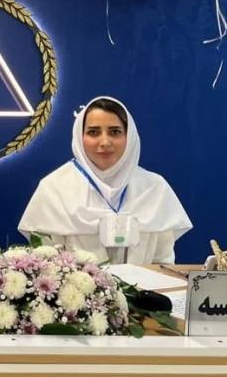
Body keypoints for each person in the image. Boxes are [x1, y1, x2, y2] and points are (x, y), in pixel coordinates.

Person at [18, 96, 191, 264]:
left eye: (115, 132)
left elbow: (164, 264)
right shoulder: (54, 188)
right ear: (80, 137)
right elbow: (47, 266)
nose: (105, 142)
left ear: (129, 136)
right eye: (93, 132)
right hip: (78, 285)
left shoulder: (155, 188)